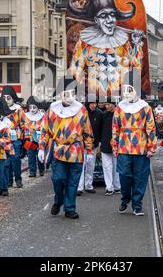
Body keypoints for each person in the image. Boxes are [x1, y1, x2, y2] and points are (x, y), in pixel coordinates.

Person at [68, 0, 144, 97]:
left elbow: (136, 67)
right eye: (103, 15)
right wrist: (86, 88)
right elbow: (75, 68)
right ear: (96, 20)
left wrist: (137, 44)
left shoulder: (123, 42)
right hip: (93, 98)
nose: (109, 20)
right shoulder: (84, 43)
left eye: (112, 14)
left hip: (120, 98)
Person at [38, 76, 94, 219]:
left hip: (76, 151)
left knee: (73, 182)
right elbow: (45, 130)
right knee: (58, 179)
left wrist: (89, 151)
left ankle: (69, 208)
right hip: (58, 150)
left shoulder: (81, 110)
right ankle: (59, 200)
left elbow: (87, 131)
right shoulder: (52, 109)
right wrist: (41, 147)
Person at [111, 69, 157, 216]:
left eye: (129, 90)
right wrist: (115, 146)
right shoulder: (119, 108)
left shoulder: (145, 108)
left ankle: (137, 204)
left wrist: (151, 147)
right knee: (124, 176)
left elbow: (151, 128)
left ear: (136, 90)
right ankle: (125, 199)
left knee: (140, 177)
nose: (126, 93)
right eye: (124, 90)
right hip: (124, 147)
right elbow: (115, 128)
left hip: (141, 148)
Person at [1, 86, 31, 188]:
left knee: (16, 159)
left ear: (13, 98)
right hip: (4, 139)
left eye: (8, 98)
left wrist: (26, 138)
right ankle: (9, 181)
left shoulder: (18, 110)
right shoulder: (0, 110)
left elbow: (25, 124)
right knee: (6, 162)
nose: (6, 100)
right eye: (4, 98)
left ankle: (18, 179)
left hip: (16, 138)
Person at [78, 96, 102, 195]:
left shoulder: (99, 113)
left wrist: (99, 143)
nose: (93, 105)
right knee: (81, 166)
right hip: (82, 144)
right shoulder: (82, 113)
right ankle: (79, 187)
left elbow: (100, 129)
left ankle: (88, 185)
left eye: (95, 103)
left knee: (90, 166)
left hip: (94, 145)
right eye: (91, 103)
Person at [100, 97, 121, 195]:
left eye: (108, 104)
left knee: (116, 166)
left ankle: (117, 186)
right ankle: (109, 187)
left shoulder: (120, 114)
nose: (107, 106)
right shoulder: (104, 115)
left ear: (113, 104)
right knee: (107, 166)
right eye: (106, 104)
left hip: (117, 144)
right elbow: (100, 129)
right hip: (105, 143)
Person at [25, 96, 45, 178]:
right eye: (30, 107)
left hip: (39, 139)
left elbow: (44, 127)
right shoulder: (26, 116)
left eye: (34, 107)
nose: (32, 109)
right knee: (30, 156)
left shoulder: (42, 116)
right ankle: (32, 171)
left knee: (39, 155)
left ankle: (41, 169)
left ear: (37, 107)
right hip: (29, 139)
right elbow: (24, 127)